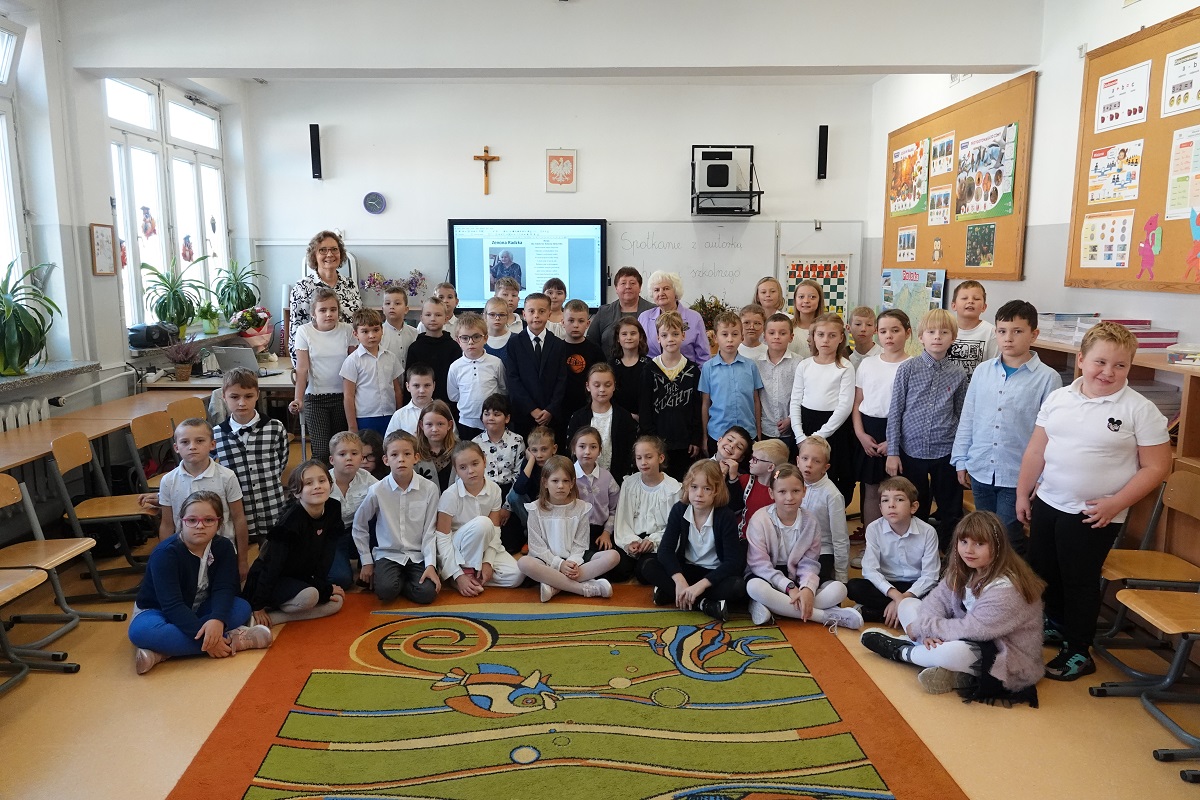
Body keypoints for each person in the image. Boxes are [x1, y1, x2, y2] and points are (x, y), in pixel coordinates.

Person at [1016, 322, 1170, 681]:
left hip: (1094, 513)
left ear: (1130, 367)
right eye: (1100, 362)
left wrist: (1116, 504)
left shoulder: (1140, 410)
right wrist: (1023, 492)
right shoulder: (1059, 398)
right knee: (1044, 571)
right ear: (1082, 360)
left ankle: (1078, 651)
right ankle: (1058, 624)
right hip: (1049, 502)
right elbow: (1036, 450)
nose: (1108, 372)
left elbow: (1156, 467)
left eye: (1120, 365)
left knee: (1079, 581)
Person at [859, 511, 1044, 707]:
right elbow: (936, 601)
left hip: (1005, 656)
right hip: (970, 637)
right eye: (964, 542)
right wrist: (927, 632)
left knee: (951, 653)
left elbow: (973, 629)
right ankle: (949, 669)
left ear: (998, 547)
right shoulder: (965, 569)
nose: (969, 550)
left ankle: (902, 651)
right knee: (906, 604)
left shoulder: (1007, 589)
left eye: (979, 544)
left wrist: (923, 628)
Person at [952, 301, 1061, 555]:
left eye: (1017, 331)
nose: (1008, 338)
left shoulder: (1048, 378)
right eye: (1002, 331)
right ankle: (986, 578)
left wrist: (1041, 478)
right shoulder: (983, 371)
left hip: (1017, 475)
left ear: (1034, 334)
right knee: (983, 534)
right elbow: (968, 417)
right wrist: (960, 459)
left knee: (1007, 534)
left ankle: (1012, 579)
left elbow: (1051, 436)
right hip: (980, 468)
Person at [129, 491, 271, 674]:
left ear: (219, 523)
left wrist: (217, 619)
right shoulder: (165, 554)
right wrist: (210, 640)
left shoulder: (224, 547)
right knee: (141, 632)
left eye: (209, 520)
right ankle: (235, 640)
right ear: (181, 521)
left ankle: (161, 653)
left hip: (203, 608)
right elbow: (172, 605)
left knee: (241, 606)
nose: (200, 526)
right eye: (192, 520)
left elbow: (224, 588)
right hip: (159, 611)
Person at [885, 308, 968, 552]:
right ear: (921, 337)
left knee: (950, 508)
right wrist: (892, 452)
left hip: (946, 451)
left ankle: (949, 555)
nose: (937, 337)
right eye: (931, 332)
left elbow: (962, 415)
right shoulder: (908, 369)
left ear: (953, 338)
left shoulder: (958, 373)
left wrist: (962, 456)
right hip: (912, 451)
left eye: (944, 332)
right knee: (915, 505)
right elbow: (895, 411)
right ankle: (916, 552)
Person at [744, 465, 863, 629]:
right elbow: (759, 565)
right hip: (767, 577)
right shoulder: (760, 519)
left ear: (804, 491)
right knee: (754, 587)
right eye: (782, 492)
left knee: (839, 589)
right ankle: (823, 616)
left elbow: (810, 562)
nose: (789, 497)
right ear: (771, 493)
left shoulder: (810, 521)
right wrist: (789, 587)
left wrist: (807, 589)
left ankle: (774, 606)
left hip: (797, 577)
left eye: (795, 491)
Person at [242, 461, 346, 626]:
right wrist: (258, 604)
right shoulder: (291, 520)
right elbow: (271, 566)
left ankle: (274, 618)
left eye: (322, 480)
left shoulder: (333, 507)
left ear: (331, 484)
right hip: (275, 579)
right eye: (309, 483)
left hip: (302, 578)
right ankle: (261, 614)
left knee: (336, 602)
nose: (317, 486)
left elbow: (327, 554)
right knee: (310, 596)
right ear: (297, 493)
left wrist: (323, 586)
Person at [643, 459, 747, 621]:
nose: (699, 494)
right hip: (687, 570)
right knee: (648, 566)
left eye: (707, 488)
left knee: (738, 587)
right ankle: (703, 604)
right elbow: (665, 550)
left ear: (717, 491)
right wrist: (679, 581)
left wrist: (701, 585)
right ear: (687, 487)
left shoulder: (725, 516)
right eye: (694, 487)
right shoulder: (679, 510)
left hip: (713, 574)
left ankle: (673, 594)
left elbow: (732, 562)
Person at [148, 418, 249, 581]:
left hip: (222, 552)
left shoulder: (227, 477)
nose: (192, 447)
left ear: (212, 445)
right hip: (184, 552)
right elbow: (167, 524)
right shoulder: (168, 481)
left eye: (200, 441)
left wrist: (242, 561)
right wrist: (166, 559)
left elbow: (239, 519)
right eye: (185, 442)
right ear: (176, 448)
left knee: (225, 592)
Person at [352, 430, 441, 605]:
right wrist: (366, 560)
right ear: (386, 460)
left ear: (416, 457)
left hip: (417, 555)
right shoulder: (377, 490)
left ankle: (401, 582)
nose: (401, 459)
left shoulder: (429, 489)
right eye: (394, 455)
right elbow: (359, 525)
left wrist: (431, 564)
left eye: (407, 454)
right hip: (388, 554)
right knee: (385, 591)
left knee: (427, 593)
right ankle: (393, 582)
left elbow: (430, 531)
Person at [518, 454, 619, 601]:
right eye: (555, 481)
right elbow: (537, 547)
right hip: (546, 561)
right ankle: (582, 589)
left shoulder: (581, 507)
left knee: (613, 556)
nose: (560, 486)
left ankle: (554, 585)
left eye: (565, 481)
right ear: (545, 482)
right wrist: (559, 564)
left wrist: (572, 564)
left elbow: (580, 543)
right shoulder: (535, 509)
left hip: (574, 559)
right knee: (524, 563)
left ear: (572, 483)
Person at [847, 476, 940, 626]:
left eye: (899, 499)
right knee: (854, 587)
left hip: (916, 586)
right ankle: (909, 615)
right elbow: (870, 570)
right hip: (887, 587)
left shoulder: (928, 532)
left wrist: (904, 598)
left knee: (942, 595)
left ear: (913, 507)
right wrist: (897, 597)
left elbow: (930, 576)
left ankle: (874, 613)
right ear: (880, 508)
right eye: (885, 500)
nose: (891, 505)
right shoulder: (874, 528)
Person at [435, 441, 524, 596]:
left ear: (484, 460)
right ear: (456, 470)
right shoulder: (450, 495)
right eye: (463, 467)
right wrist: (457, 574)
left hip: (484, 544)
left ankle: (474, 579)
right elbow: (442, 538)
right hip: (458, 549)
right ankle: (460, 576)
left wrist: (488, 562)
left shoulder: (494, 489)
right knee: (483, 523)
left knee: (516, 576)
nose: (470, 471)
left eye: (475, 464)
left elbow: (495, 530)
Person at [852, 309, 911, 536]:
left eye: (895, 330)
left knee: (898, 493)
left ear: (907, 333)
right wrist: (860, 435)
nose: (889, 336)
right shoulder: (867, 364)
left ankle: (898, 541)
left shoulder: (913, 365)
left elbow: (914, 411)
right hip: (870, 431)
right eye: (884, 331)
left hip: (900, 433)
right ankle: (872, 543)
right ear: (877, 333)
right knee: (872, 491)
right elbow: (858, 402)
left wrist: (894, 441)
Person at [213, 368, 288, 544]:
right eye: (234, 397)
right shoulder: (216, 435)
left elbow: (282, 461)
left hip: (271, 506)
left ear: (257, 395)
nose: (241, 403)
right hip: (239, 511)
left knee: (273, 548)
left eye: (248, 396)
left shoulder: (275, 427)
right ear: (223, 396)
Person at [789, 312, 856, 506]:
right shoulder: (804, 365)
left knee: (836, 477)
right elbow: (795, 401)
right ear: (813, 337)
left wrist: (819, 436)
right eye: (820, 335)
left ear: (841, 338)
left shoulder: (845, 367)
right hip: (805, 426)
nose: (825, 340)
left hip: (834, 429)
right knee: (803, 476)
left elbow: (845, 406)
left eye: (832, 335)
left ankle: (833, 516)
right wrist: (800, 436)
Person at [290, 286, 356, 463]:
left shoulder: (347, 330)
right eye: (323, 310)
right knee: (321, 451)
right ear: (313, 313)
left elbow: (354, 365)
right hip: (315, 399)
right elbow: (302, 369)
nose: (329, 314)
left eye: (333, 309)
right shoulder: (304, 331)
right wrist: (298, 399)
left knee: (341, 450)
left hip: (343, 397)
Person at [640, 311, 703, 481]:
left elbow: (697, 408)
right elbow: (645, 409)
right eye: (665, 335)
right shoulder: (649, 370)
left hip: (685, 444)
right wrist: (651, 441)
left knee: (683, 484)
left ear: (683, 335)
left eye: (675, 334)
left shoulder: (692, 370)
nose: (670, 339)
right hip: (658, 444)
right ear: (658, 338)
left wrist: (695, 439)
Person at [613, 435, 683, 584]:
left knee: (645, 569)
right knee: (618, 569)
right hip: (634, 538)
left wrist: (653, 541)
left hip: (658, 542)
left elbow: (674, 528)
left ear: (661, 458)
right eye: (639, 458)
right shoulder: (629, 484)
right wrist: (629, 542)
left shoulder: (673, 489)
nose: (643, 462)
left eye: (648, 457)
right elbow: (623, 520)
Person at [288, 230, 362, 362]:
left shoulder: (350, 284)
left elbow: (359, 323)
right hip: (317, 363)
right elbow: (295, 334)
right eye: (323, 250)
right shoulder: (302, 288)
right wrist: (300, 369)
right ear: (314, 256)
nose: (329, 254)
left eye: (334, 249)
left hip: (350, 360)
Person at [700, 311, 763, 456]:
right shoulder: (708, 368)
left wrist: (758, 432)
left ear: (742, 337)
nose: (730, 339)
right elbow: (705, 404)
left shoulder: (750, 366)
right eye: (724, 334)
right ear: (715, 338)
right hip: (718, 434)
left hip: (747, 434)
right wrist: (704, 436)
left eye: (735, 334)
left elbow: (756, 400)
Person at [505, 292, 568, 439]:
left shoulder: (558, 344)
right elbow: (513, 379)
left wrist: (550, 409)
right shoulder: (514, 343)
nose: (536, 316)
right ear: (524, 314)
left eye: (542, 311)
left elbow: (562, 380)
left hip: (551, 416)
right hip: (524, 414)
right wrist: (532, 409)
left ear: (549, 314)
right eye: (531, 311)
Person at [340, 307, 405, 437]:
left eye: (376, 330)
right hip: (365, 417)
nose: (371, 335)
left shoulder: (391, 357)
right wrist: (352, 427)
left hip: (390, 415)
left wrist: (399, 415)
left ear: (382, 330)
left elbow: (397, 390)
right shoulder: (352, 361)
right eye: (365, 331)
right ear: (356, 334)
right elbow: (348, 396)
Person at [567, 363, 637, 483]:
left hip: (617, 479)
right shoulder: (578, 417)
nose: (602, 390)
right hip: (582, 481)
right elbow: (571, 451)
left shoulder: (624, 417)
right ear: (588, 386)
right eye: (597, 385)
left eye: (607, 385)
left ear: (614, 386)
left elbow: (630, 451)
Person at [326, 430, 378, 589]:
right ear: (332, 460)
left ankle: (367, 562)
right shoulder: (323, 481)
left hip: (359, 532)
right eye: (342, 454)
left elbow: (387, 498)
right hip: (332, 536)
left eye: (354, 453)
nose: (349, 458)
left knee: (378, 515)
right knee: (341, 579)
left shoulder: (367, 479)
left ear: (361, 458)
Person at [797, 435, 850, 585]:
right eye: (805, 458)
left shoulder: (832, 495)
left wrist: (841, 574)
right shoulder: (792, 485)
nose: (809, 465)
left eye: (816, 461)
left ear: (825, 467)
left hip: (822, 550)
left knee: (813, 580)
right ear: (797, 461)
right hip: (795, 547)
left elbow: (840, 537)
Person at [447, 312, 506, 441]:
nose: (471, 342)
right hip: (466, 422)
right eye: (465, 338)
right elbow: (454, 395)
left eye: (476, 337)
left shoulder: (495, 363)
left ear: (485, 338)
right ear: (458, 341)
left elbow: (503, 390)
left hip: (492, 421)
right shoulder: (455, 367)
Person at [569, 426, 622, 567]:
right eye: (582, 446)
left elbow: (615, 509)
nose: (587, 452)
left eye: (593, 447)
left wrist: (606, 533)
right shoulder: (567, 475)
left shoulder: (607, 477)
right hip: (573, 532)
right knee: (576, 560)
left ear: (600, 451)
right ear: (574, 449)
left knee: (616, 567)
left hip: (599, 532)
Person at [639, 271, 711, 365]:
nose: (661, 293)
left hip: (687, 372)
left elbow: (704, 356)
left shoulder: (694, 318)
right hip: (651, 373)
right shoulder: (644, 318)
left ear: (676, 291)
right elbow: (638, 351)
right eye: (656, 290)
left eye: (666, 288)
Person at [757, 312, 799, 462]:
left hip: (791, 429)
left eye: (782, 333)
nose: (777, 337)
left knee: (788, 468)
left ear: (791, 337)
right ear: (764, 337)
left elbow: (803, 395)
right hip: (765, 428)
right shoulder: (756, 364)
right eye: (772, 333)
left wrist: (791, 419)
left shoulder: (799, 363)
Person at [507, 426, 558, 547]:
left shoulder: (558, 464)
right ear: (529, 451)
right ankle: (532, 534)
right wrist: (530, 461)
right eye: (534, 450)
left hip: (552, 507)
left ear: (554, 449)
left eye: (544, 449)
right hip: (533, 508)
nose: (539, 455)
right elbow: (519, 489)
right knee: (513, 496)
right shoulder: (529, 463)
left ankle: (548, 536)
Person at [587, 265, 654, 355]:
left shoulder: (653, 311)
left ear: (640, 287)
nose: (628, 286)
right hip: (608, 363)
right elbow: (591, 343)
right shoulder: (604, 312)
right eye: (623, 283)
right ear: (616, 288)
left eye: (632, 283)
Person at [408, 298, 462, 409]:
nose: (433, 319)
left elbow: (458, 380)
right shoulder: (415, 348)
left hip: (448, 405)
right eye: (428, 315)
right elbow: (410, 379)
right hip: (420, 405)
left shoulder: (454, 347)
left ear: (446, 319)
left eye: (438, 315)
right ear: (421, 318)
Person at [560, 299, 608, 417]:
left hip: (589, 407)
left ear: (587, 324)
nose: (576, 325)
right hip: (561, 408)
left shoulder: (595, 350)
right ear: (563, 322)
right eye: (571, 320)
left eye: (581, 321)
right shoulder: (556, 349)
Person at [737, 438, 790, 537]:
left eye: (755, 459)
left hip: (766, 540)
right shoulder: (745, 481)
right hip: (742, 537)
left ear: (770, 467)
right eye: (752, 457)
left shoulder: (780, 493)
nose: (750, 461)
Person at [947, 280, 999, 380]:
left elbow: (995, 368)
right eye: (964, 298)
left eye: (976, 299)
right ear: (954, 305)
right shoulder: (944, 330)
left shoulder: (992, 332)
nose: (970, 301)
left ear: (984, 307)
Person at [608, 316, 649, 420]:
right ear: (618, 338)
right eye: (624, 334)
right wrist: (627, 416)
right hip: (618, 418)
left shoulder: (649, 365)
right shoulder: (611, 366)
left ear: (640, 336)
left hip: (644, 419)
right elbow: (609, 396)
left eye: (633, 333)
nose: (629, 337)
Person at [414, 400, 458, 491]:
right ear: (421, 425)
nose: (434, 429)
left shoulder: (460, 450)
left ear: (449, 425)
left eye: (440, 424)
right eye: (429, 424)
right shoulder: (413, 451)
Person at [386, 364, 436, 437]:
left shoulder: (443, 412)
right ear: (408, 386)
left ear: (434, 386)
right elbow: (390, 442)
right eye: (416, 386)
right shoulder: (399, 415)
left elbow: (452, 438)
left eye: (427, 385)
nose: (422, 391)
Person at [380, 286, 418, 378]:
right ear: (383, 309)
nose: (392, 307)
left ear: (406, 309)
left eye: (397, 303)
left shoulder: (414, 333)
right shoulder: (378, 334)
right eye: (388, 303)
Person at [788, 279, 825, 359]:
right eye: (801, 297)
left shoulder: (826, 329)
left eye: (812, 297)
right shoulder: (787, 327)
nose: (806, 301)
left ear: (819, 300)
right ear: (795, 300)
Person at [483, 296, 514, 364]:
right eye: (492, 314)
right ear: (485, 316)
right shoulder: (479, 340)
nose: (497, 318)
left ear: (507, 317)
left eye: (502, 315)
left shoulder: (516, 340)